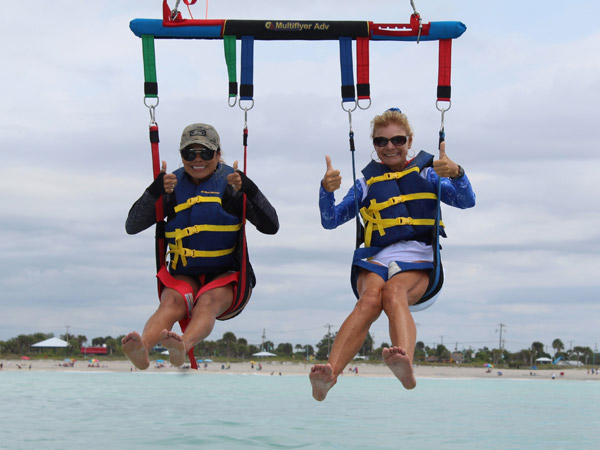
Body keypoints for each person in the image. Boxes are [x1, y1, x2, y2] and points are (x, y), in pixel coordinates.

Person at [310, 109, 475, 401]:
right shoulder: (365, 184)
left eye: (397, 139)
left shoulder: (430, 173)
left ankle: (405, 364)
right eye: (381, 141)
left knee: (394, 291)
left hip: (419, 257)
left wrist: (458, 174)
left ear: (409, 140)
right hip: (376, 256)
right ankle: (329, 376)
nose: (390, 147)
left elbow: (467, 201)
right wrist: (325, 191)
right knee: (370, 298)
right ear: (373, 144)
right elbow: (331, 219)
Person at [122, 123, 279, 370]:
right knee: (171, 302)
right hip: (185, 274)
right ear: (181, 156)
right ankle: (142, 348)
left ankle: (182, 344)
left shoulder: (232, 185)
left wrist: (250, 189)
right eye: (189, 153)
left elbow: (271, 226)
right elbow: (132, 226)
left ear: (218, 154)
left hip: (228, 277)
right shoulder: (170, 187)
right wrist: (154, 191)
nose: (198, 159)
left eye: (205, 153)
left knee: (206, 301)